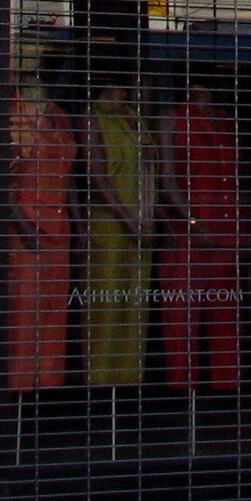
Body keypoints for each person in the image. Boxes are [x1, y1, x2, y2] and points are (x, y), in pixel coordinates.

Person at [160, 74, 242, 393]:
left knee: (225, 314)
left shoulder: (225, 121)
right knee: (182, 317)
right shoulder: (173, 119)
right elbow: (166, 178)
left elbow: (239, 176)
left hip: (227, 229)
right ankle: (182, 394)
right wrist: (192, 221)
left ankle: (227, 393)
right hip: (189, 230)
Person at [4, 54, 75, 392]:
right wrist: (22, 224)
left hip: (59, 228)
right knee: (25, 313)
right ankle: (18, 392)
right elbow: (0, 181)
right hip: (27, 226)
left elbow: (71, 173)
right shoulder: (14, 117)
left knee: (53, 312)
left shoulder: (58, 116)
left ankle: (44, 392)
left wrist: (76, 219)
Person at [84, 74, 156, 387]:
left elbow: (150, 166)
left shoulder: (133, 118)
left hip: (142, 221)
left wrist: (147, 217)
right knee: (107, 304)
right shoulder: (92, 118)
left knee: (135, 306)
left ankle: (128, 384)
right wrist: (129, 220)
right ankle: (99, 386)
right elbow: (97, 177)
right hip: (111, 223)